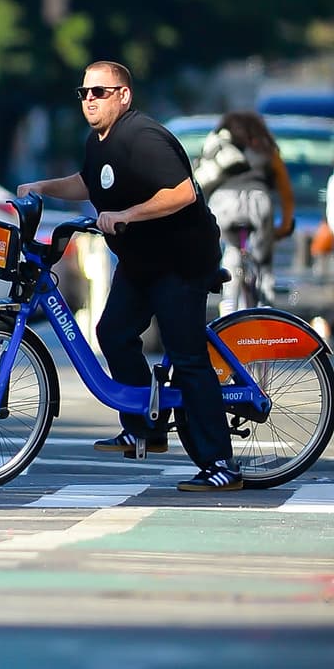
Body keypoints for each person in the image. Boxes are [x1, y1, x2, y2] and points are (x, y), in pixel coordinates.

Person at [17, 60, 241, 491]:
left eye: (100, 92)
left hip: (180, 261)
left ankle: (220, 464)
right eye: (84, 93)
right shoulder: (100, 142)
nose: (89, 101)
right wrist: (42, 187)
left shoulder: (143, 137)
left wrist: (127, 215)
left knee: (188, 358)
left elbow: (182, 193)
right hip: (142, 262)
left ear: (123, 95)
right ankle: (145, 427)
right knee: (113, 333)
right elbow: (88, 182)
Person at [193, 111, 295, 314]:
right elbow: (286, 192)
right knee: (262, 261)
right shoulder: (266, 150)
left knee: (231, 248)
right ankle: (266, 308)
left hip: (223, 203)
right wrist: (283, 227)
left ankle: (228, 303)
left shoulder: (221, 147)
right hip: (258, 203)